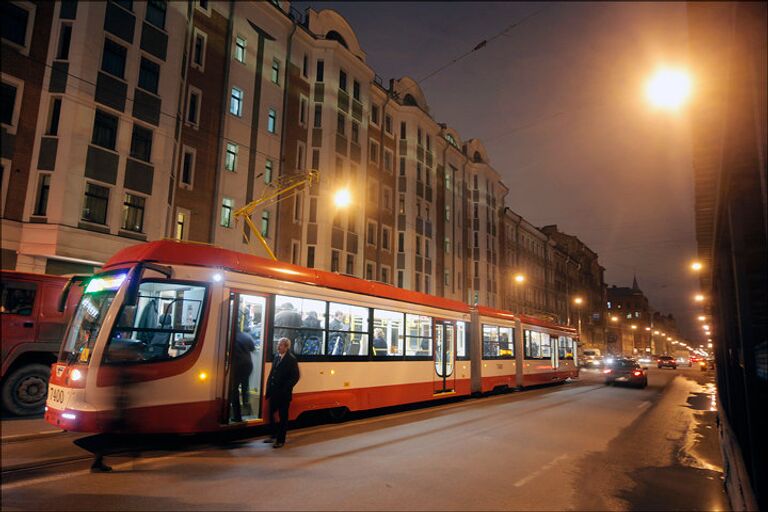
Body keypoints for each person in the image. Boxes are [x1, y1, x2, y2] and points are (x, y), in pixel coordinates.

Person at [263, 337, 300, 448]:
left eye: (280, 345)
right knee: (271, 413)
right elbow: (272, 373)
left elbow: (295, 377)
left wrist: (286, 388)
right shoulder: (277, 357)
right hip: (274, 392)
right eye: (278, 344)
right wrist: (268, 387)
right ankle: (273, 435)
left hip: (283, 394)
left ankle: (280, 440)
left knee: (283, 417)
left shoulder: (291, 359)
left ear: (286, 347)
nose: (278, 347)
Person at [230, 326, 256, 422]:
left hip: (237, 365)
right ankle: (246, 403)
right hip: (248, 365)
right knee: (245, 384)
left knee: (233, 389)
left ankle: (237, 416)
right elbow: (253, 348)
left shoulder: (231, 336)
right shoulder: (246, 336)